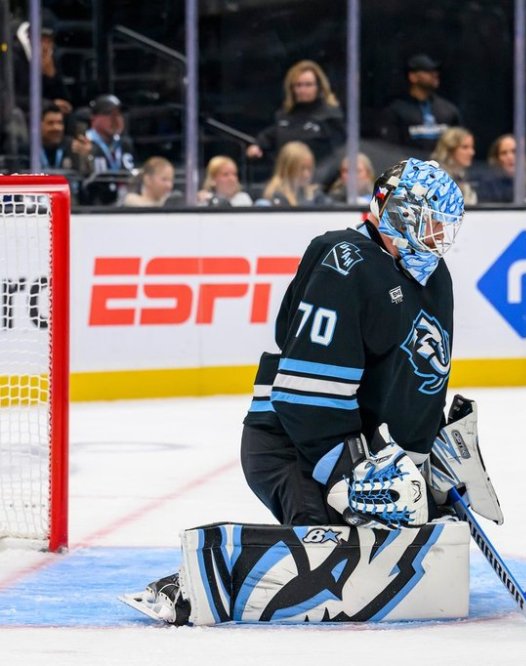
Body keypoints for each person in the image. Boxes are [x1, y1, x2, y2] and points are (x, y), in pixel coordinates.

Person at [138, 158, 473, 624]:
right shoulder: (345, 261)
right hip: (290, 442)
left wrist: (428, 461)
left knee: (406, 539)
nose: (440, 237)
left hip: (359, 440)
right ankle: (192, 583)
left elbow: (420, 382)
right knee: (331, 560)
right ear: (398, 215)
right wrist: (344, 478)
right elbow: (304, 394)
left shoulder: (435, 276)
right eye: (432, 222)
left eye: (445, 225)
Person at [246, 60, 345, 175]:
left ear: (319, 87)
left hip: (320, 180)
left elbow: (339, 153)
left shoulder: (330, 116)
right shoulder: (284, 115)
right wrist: (258, 145)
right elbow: (271, 134)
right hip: (285, 177)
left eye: (308, 85)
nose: (302, 90)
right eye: (298, 85)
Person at [376, 54, 463, 156]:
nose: (434, 74)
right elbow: (389, 150)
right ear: (413, 77)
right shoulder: (396, 111)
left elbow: (460, 145)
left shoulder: (448, 110)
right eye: (427, 71)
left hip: (443, 169)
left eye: (435, 71)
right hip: (411, 169)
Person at [79, 94, 137, 206]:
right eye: (109, 114)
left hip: (123, 205)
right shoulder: (83, 143)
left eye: (119, 114)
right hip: (91, 206)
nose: (116, 119)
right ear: (93, 118)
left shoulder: (125, 144)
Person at [11, 10, 73, 115]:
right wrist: (48, 104)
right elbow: (9, 99)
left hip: (44, 114)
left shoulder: (50, 55)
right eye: (41, 39)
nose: (45, 46)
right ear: (29, 36)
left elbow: (64, 101)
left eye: (49, 40)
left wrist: (51, 77)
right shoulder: (12, 54)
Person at [257, 141, 327, 207]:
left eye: (309, 168)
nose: (307, 174)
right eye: (302, 169)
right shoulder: (273, 196)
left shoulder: (315, 196)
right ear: (287, 169)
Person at [476, 133, 526, 203]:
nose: (510, 157)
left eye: (514, 151)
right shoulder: (488, 186)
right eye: (504, 153)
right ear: (497, 159)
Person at [430, 127, 478, 205]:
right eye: (465, 147)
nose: (472, 152)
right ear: (449, 149)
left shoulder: (464, 176)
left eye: (472, 147)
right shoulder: (436, 178)